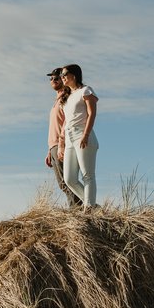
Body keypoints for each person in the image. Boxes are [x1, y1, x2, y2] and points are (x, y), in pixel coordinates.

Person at [60, 64, 99, 208]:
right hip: (70, 136)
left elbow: (91, 113)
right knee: (69, 179)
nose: (62, 77)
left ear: (74, 75)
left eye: (65, 74)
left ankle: (89, 208)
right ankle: (93, 205)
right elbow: (66, 121)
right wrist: (62, 143)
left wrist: (86, 134)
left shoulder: (86, 90)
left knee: (87, 175)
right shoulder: (67, 96)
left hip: (83, 133)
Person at [45, 68, 83, 207]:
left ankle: (79, 210)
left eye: (57, 78)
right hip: (54, 145)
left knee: (68, 181)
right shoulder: (57, 99)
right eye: (51, 78)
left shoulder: (67, 98)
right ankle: (79, 208)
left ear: (64, 79)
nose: (53, 80)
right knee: (63, 183)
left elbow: (68, 122)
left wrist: (61, 145)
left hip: (64, 144)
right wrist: (50, 150)